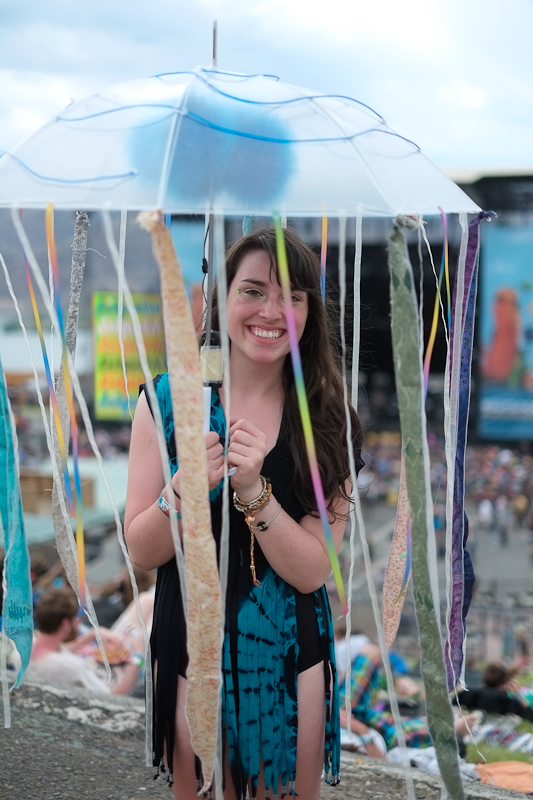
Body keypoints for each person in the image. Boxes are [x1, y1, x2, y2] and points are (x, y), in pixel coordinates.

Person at [124, 226, 364, 800]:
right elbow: (142, 550)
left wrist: (255, 490)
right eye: (253, 291)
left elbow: (312, 570)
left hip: (289, 659)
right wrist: (182, 492)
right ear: (222, 298)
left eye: (293, 297)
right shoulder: (164, 403)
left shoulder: (330, 421)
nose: (272, 311)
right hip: (188, 650)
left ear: (310, 312)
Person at [26, 586, 144, 695]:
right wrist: (138, 657)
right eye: (77, 619)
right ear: (66, 624)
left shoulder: (25, 648)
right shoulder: (74, 668)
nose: (80, 623)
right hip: (113, 679)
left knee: (145, 602)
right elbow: (112, 698)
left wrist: (92, 635)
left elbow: (56, 652)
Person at [455, 661, 533, 722]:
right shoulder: (505, 699)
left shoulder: (467, 693)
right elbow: (530, 715)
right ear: (505, 682)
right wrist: (518, 694)